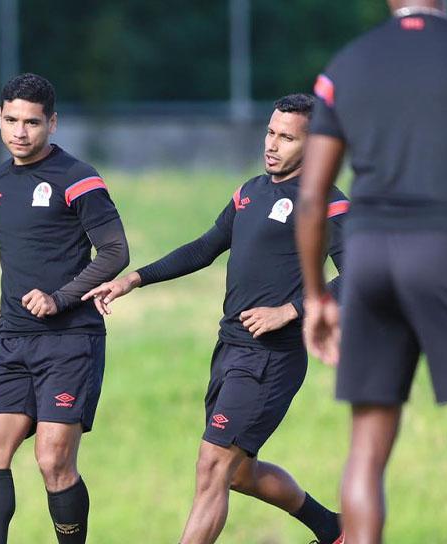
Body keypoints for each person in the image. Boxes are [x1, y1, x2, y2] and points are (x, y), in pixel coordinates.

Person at [295, 1, 447, 542]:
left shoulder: (345, 66)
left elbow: (310, 197)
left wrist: (315, 296)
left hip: (369, 259)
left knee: (367, 444)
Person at [84, 94, 346, 544]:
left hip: (271, 359)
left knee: (212, 467)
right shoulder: (249, 192)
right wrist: (135, 279)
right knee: (238, 473)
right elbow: (204, 248)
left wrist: (290, 310)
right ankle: (333, 528)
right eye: (270, 132)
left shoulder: (326, 201)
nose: (272, 144)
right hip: (229, 349)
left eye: (287, 138)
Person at [0, 73, 130, 544]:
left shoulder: (78, 178)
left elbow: (115, 252)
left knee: (53, 460)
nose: (20, 132)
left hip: (70, 340)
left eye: (33, 122)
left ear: (52, 123)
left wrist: (59, 298)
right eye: (12, 121)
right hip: (12, 340)